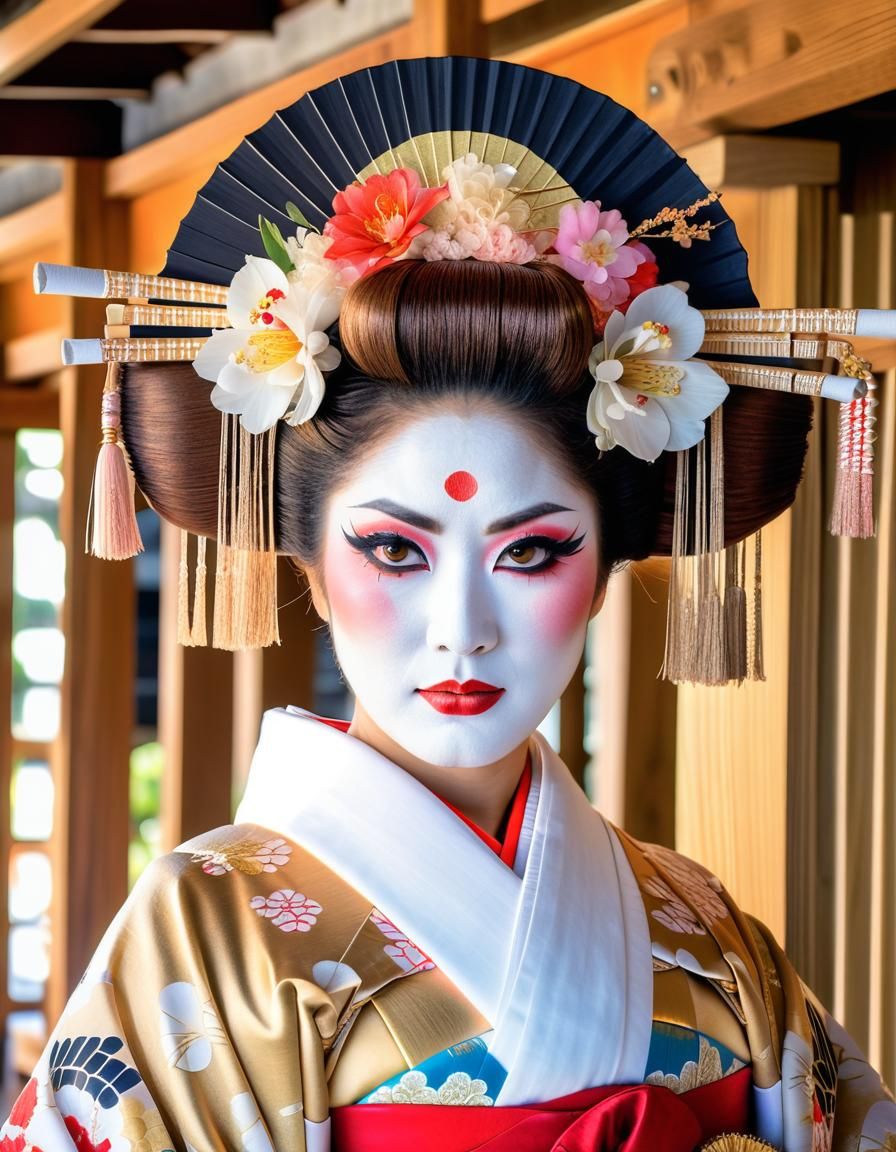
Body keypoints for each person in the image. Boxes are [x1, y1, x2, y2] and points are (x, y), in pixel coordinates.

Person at [6, 56, 894, 1152]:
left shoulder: (700, 920)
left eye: (531, 553)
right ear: (309, 567)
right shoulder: (202, 930)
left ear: (609, 560)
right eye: (391, 547)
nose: (458, 624)